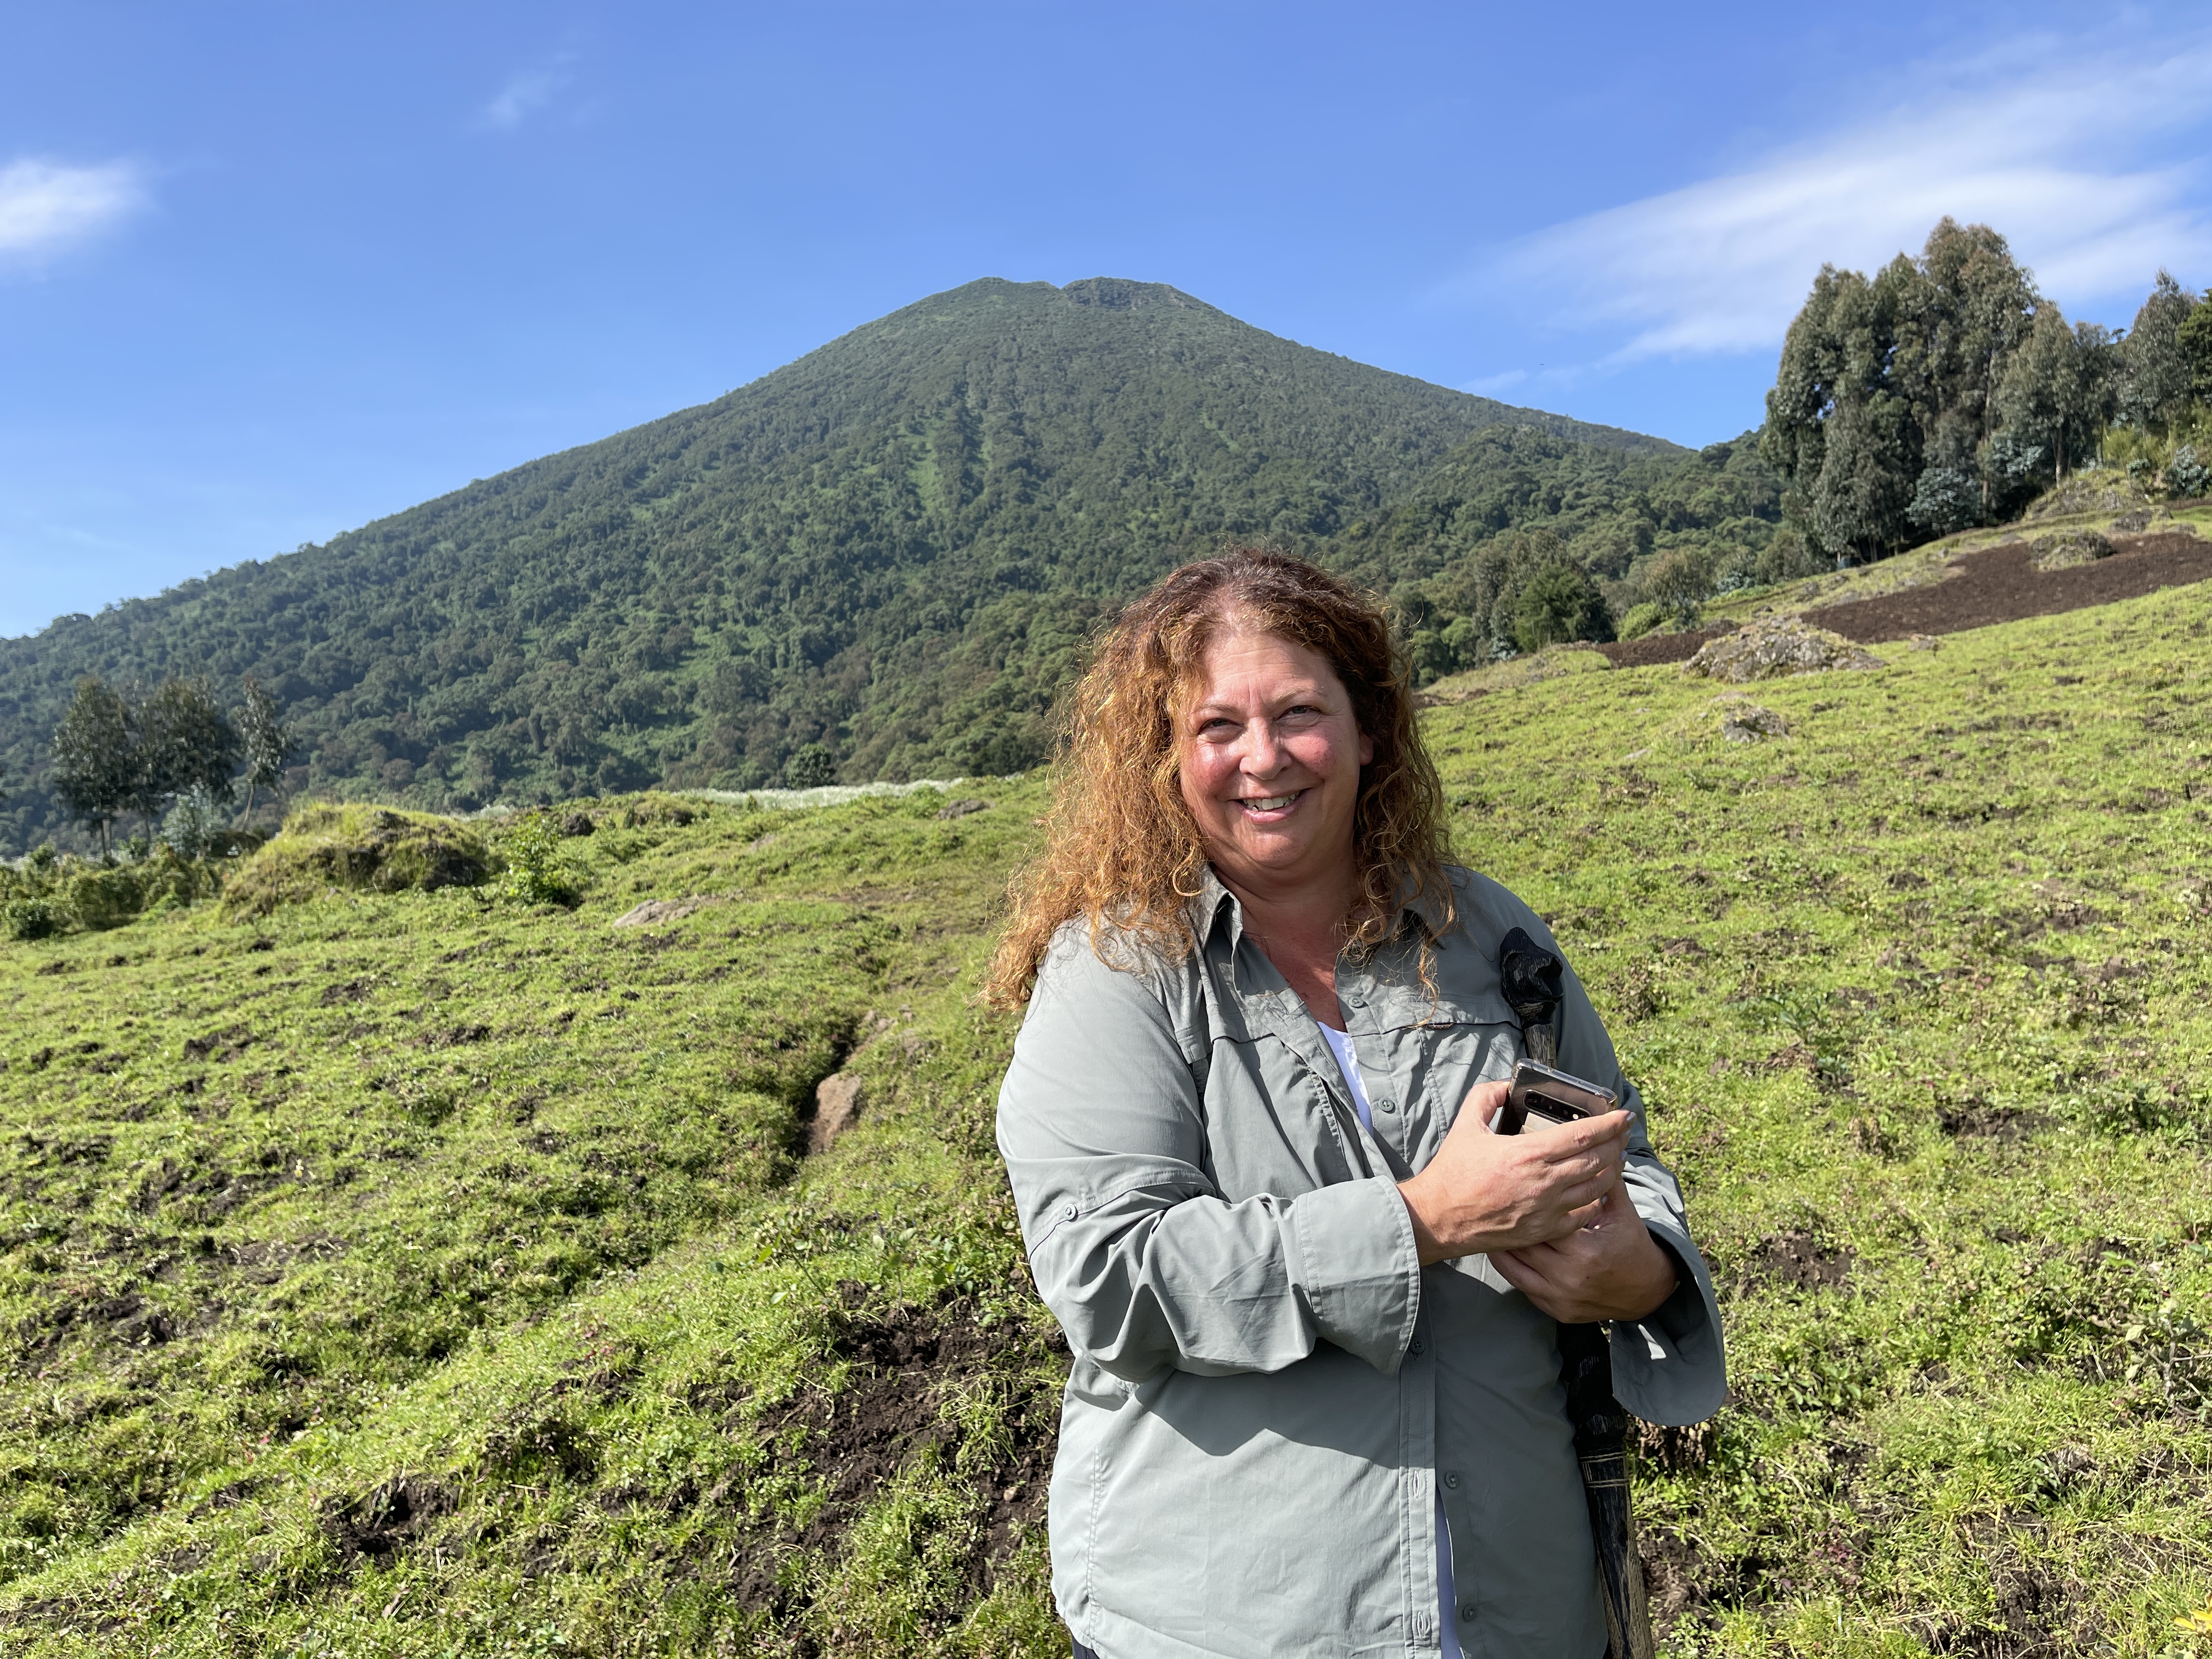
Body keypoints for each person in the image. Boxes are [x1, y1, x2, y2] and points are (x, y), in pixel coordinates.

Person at [989, 550, 1726, 1659]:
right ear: (1165, 755)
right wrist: (1425, 1221)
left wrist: (1645, 1269)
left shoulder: (1491, 937)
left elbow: (1626, 1149)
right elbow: (1110, 1273)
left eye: (1299, 713)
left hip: (1523, 1600)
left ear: (1369, 727)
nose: (1264, 757)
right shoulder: (1120, 970)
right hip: (1241, 1622)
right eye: (1218, 726)